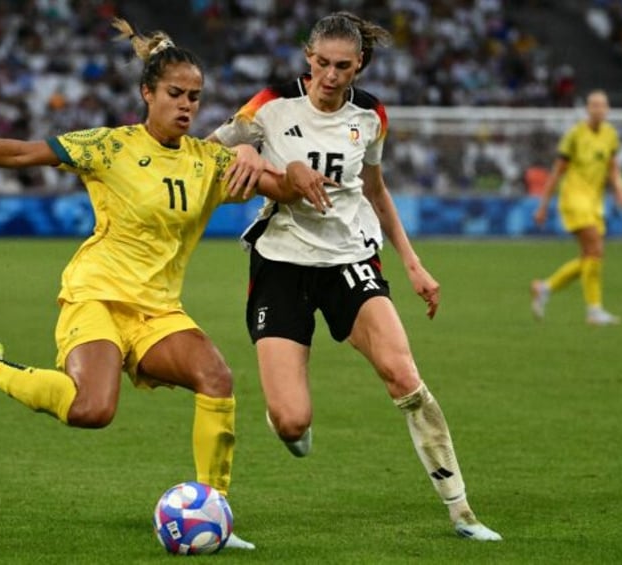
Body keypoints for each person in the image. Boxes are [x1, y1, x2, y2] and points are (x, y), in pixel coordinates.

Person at [0, 18, 331, 551]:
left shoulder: (210, 161)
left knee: (216, 377)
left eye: (196, 97)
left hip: (157, 311)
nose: (186, 105)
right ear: (148, 93)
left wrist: (290, 169)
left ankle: (214, 512)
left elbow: (284, 188)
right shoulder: (108, 147)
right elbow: (24, 152)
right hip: (96, 295)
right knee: (92, 410)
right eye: (175, 94)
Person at [207, 12, 502, 541]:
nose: (330, 76)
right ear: (307, 58)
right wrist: (250, 151)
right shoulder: (269, 106)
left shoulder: (370, 115)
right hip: (281, 264)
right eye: (321, 63)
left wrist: (412, 263)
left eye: (343, 66)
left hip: (350, 260)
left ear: (359, 64)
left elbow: (376, 189)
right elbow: (209, 150)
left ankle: (462, 511)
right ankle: (289, 420)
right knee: (292, 421)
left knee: (404, 377)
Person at [531, 90, 622, 325]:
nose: (598, 109)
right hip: (574, 199)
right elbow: (557, 172)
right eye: (594, 105)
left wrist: (620, 191)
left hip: (595, 202)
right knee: (595, 249)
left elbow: (613, 169)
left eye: (602, 105)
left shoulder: (610, 136)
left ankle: (545, 287)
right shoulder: (575, 135)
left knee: (591, 256)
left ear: (607, 109)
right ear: (587, 109)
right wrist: (543, 205)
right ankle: (594, 310)